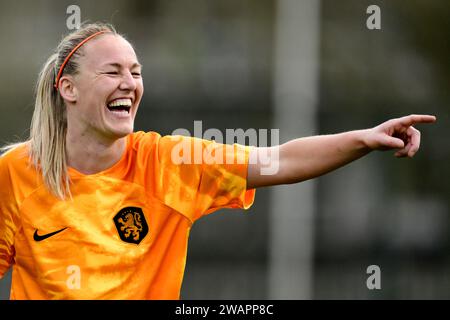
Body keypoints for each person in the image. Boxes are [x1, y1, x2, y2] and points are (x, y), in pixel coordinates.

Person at [0, 22, 436, 300]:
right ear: (68, 89)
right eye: (112, 72)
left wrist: (363, 139)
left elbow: (277, 160)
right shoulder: (16, 173)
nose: (130, 83)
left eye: (136, 72)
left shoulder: (171, 162)